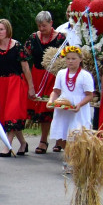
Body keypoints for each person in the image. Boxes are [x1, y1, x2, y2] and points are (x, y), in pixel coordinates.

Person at [24, 11, 67, 153]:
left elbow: (67, 59)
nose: (41, 29)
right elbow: (24, 56)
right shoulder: (33, 38)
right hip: (37, 74)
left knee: (53, 107)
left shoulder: (61, 38)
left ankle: (60, 140)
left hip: (54, 76)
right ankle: (44, 140)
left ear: (51, 23)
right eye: (39, 26)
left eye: (44, 25)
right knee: (42, 109)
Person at [0, 19, 35, 156]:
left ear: (8, 30)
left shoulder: (17, 46)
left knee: (12, 114)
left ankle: (7, 146)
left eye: (2, 29)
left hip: (16, 83)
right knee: (6, 116)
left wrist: (31, 87)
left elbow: (25, 68)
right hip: (1, 84)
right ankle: (23, 143)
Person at [47, 46, 94, 148]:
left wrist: (79, 104)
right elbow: (56, 91)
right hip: (63, 107)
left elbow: (90, 95)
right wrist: (51, 101)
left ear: (80, 59)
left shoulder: (85, 75)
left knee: (77, 135)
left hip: (78, 109)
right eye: (68, 59)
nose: (70, 61)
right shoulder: (61, 73)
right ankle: (67, 155)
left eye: (73, 59)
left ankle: (76, 157)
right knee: (61, 134)